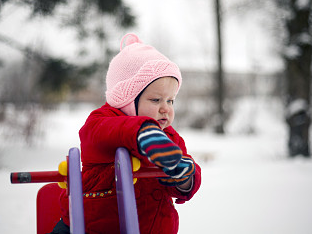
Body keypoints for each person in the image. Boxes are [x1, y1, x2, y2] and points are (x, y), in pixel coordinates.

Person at [51, 33, 201, 234]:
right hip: (92, 226)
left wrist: (184, 178)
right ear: (128, 99)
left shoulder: (169, 138)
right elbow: (104, 132)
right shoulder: (102, 120)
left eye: (171, 100)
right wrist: (142, 133)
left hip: (154, 227)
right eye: (156, 100)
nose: (165, 108)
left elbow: (185, 171)